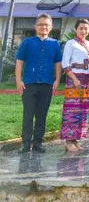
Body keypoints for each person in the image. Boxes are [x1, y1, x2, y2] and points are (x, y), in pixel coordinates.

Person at [15, 13, 62, 154]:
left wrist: (57, 80)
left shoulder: (55, 44)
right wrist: (18, 80)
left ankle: (38, 143)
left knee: (42, 115)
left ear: (51, 27)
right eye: (41, 24)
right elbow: (19, 62)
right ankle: (25, 144)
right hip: (29, 84)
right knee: (28, 114)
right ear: (36, 26)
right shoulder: (27, 43)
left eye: (46, 25)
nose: (43, 27)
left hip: (47, 85)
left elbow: (58, 63)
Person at [60, 18, 89, 152]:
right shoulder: (71, 43)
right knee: (72, 110)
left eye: (86, 28)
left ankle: (76, 140)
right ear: (76, 29)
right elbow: (65, 63)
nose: (83, 31)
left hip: (87, 80)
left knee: (82, 111)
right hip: (74, 79)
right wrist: (74, 79)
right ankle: (68, 141)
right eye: (81, 28)